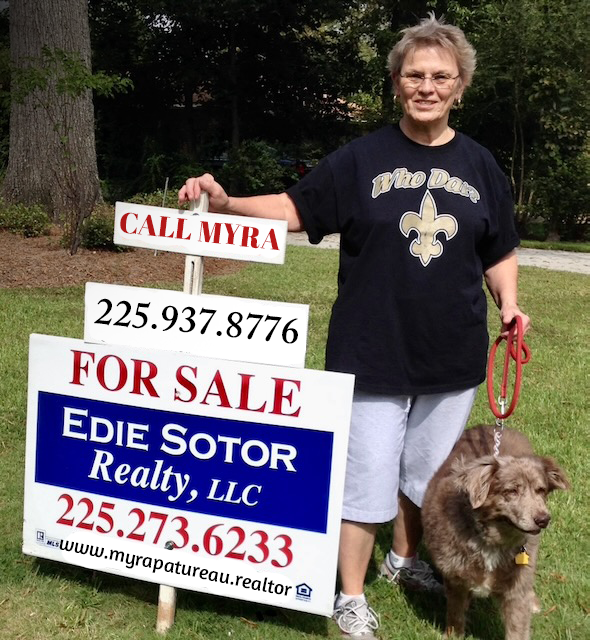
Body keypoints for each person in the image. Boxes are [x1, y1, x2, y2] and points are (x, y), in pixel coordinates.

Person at [179, 14, 530, 639]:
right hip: (372, 349)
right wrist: (228, 201)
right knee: (366, 476)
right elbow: (294, 207)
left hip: (451, 355)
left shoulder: (481, 167)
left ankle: (406, 562)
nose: (427, 86)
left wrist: (508, 302)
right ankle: (350, 596)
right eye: (415, 75)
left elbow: (499, 249)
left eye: (440, 76)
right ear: (397, 83)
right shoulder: (362, 158)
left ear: (460, 86)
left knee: (429, 477)